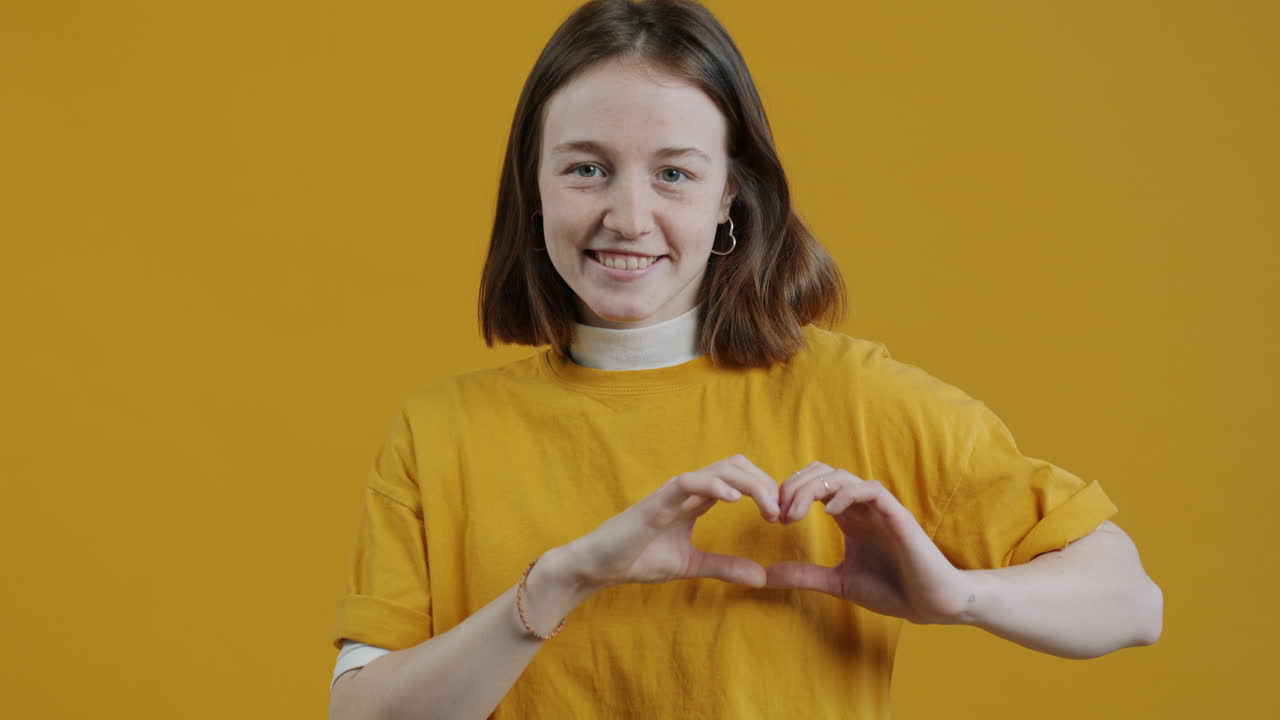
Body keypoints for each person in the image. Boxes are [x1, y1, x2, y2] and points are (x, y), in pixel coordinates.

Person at [327, 1, 1163, 718]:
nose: (628, 214)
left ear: (730, 192)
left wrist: (963, 596)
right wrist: (560, 582)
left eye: (674, 174)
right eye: (587, 168)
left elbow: (1130, 601)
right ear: (534, 185)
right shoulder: (438, 432)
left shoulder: (853, 396)